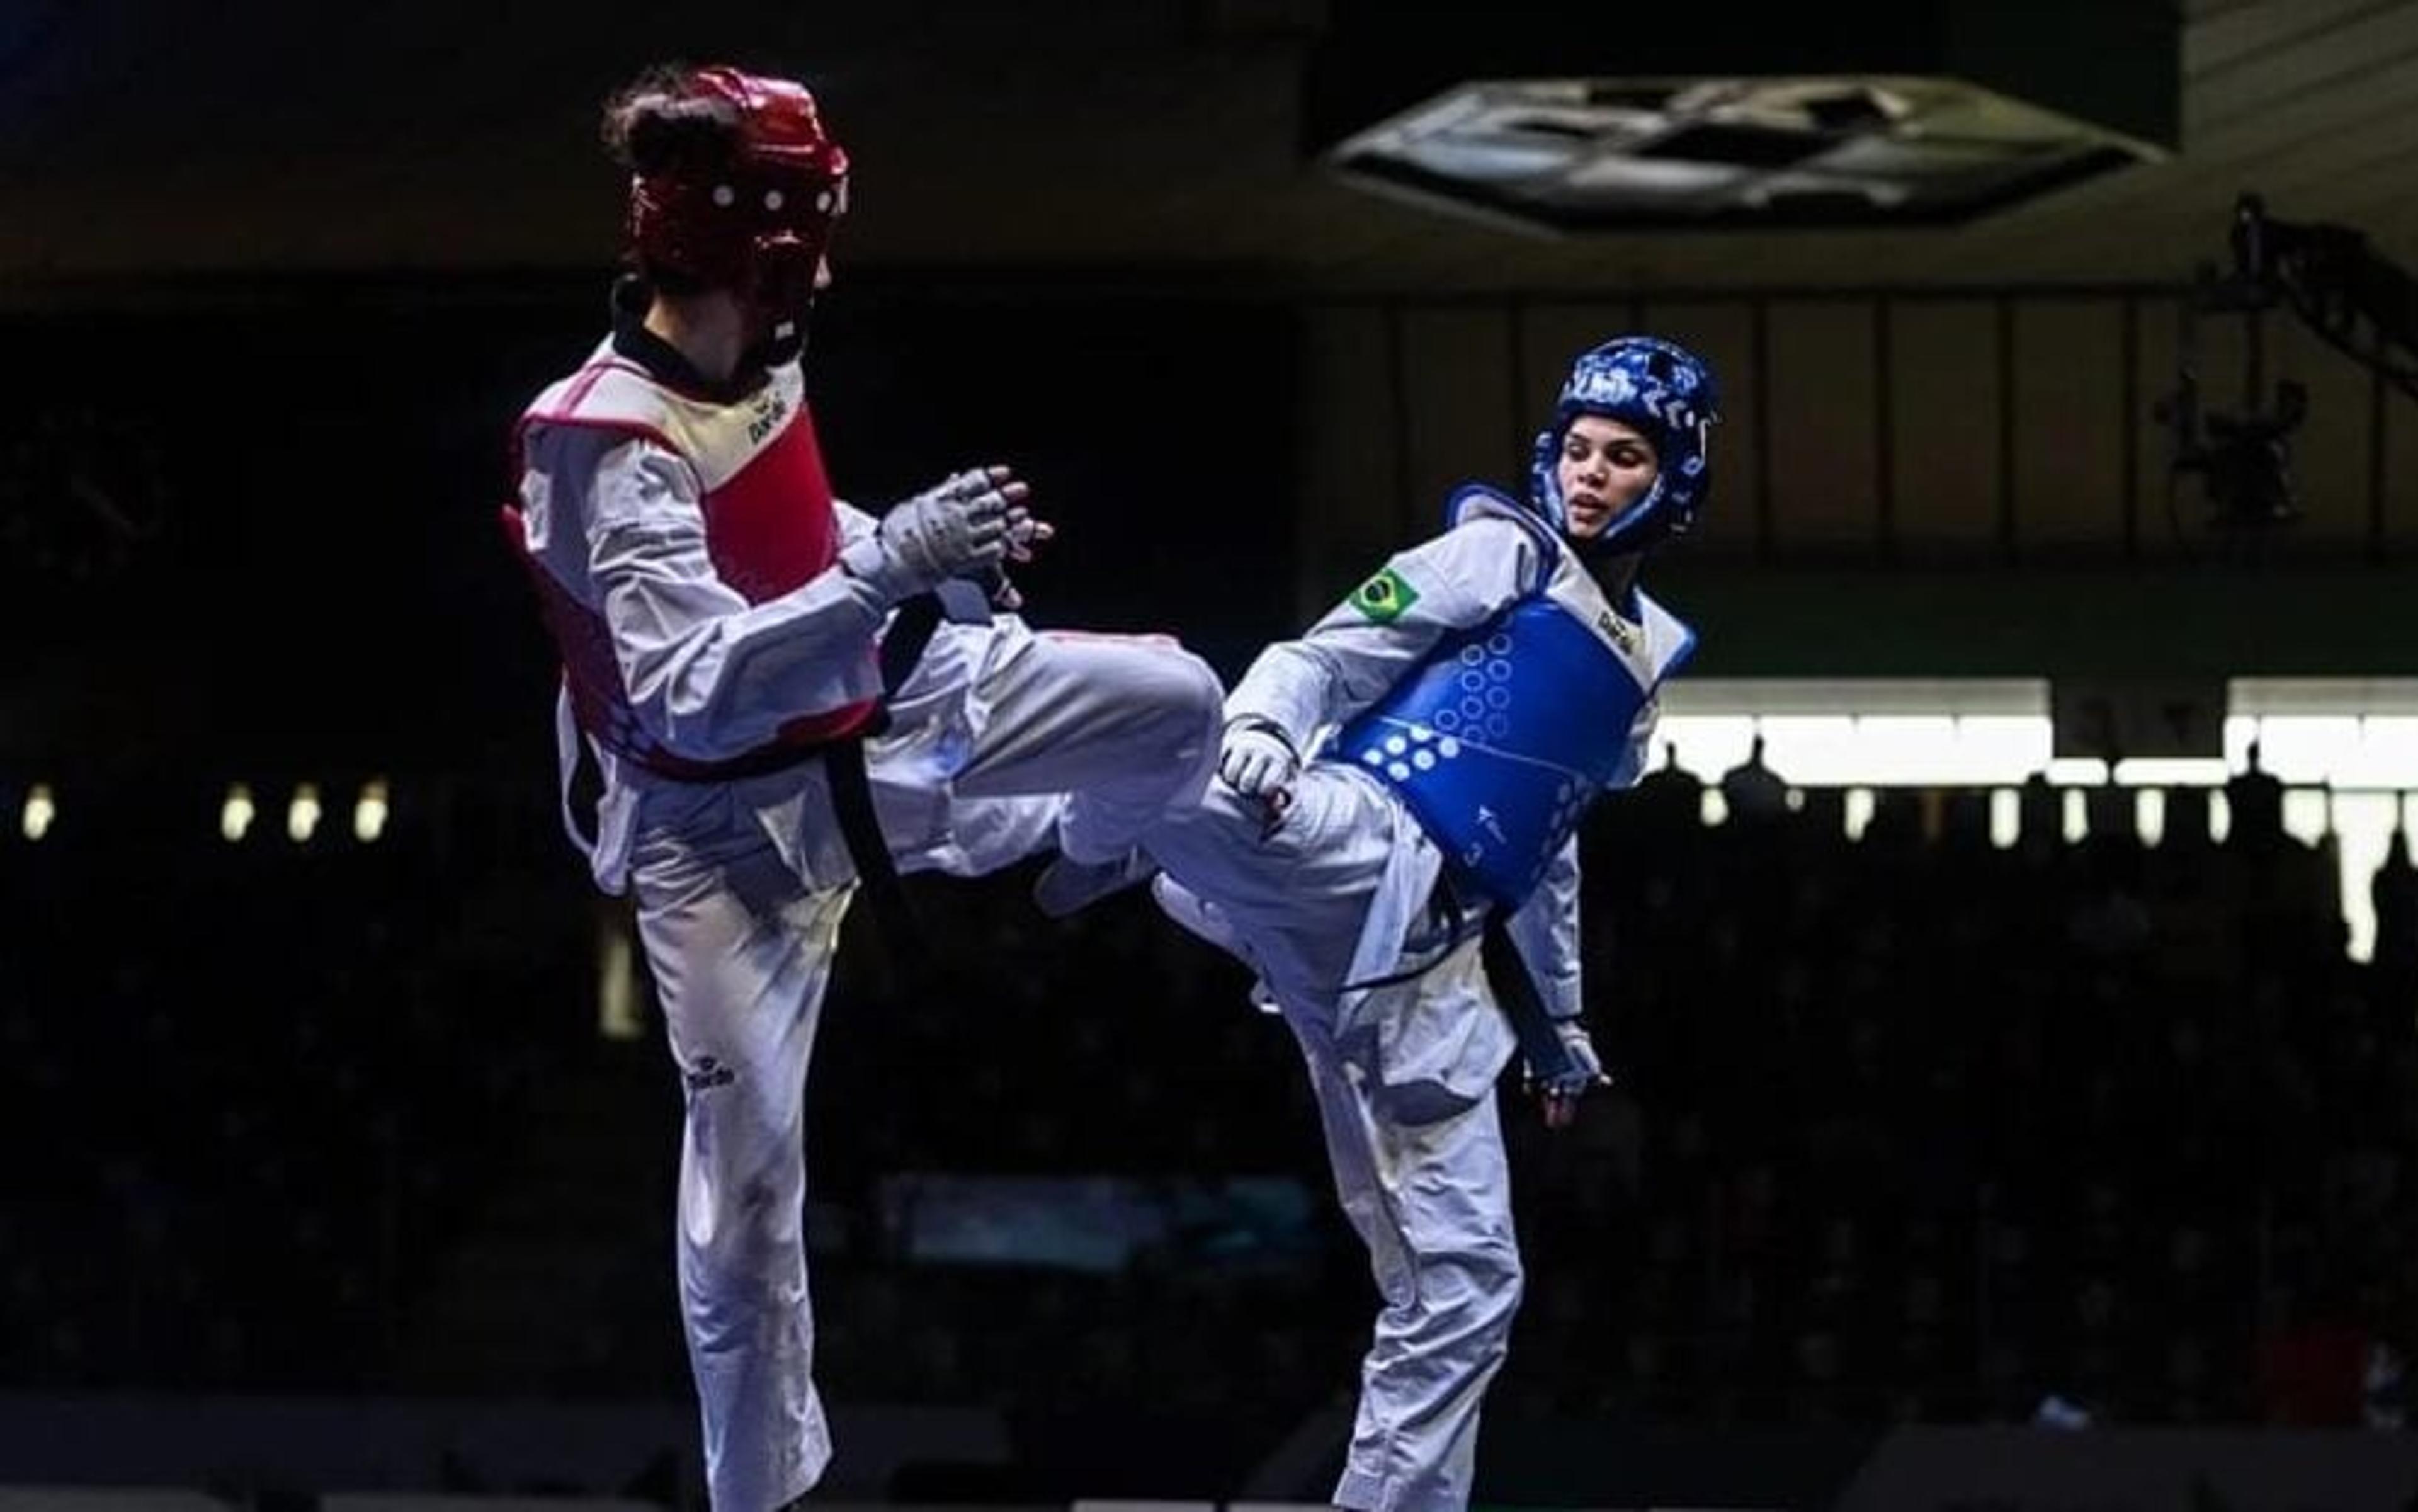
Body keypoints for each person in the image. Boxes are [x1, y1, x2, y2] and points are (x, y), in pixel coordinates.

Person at [499, 62, 1222, 1512]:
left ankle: (1072, 843)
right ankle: (760, 1500)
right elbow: (690, 687)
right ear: (757, 243)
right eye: (808, 235)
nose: (822, 267)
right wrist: (888, 567)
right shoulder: (595, 438)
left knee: (1179, 703)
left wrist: (913, 549)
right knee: (749, 1205)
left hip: (870, 706)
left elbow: (782, 524)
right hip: (715, 838)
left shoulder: (763, 361)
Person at [1065, 336, 1718, 1512]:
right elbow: (1328, 652)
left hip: (1432, 974)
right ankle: (912, 751)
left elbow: (1550, 844)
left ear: (1673, 478)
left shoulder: (1642, 667)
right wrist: (1268, 726)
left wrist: (1560, 1022)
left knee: (1470, 1286)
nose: (1590, 474)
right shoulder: (1497, 552)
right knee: (1172, 716)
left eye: (1624, 457)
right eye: (1576, 450)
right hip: (1352, 838)